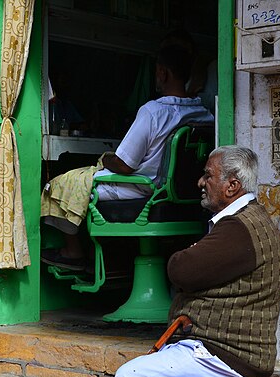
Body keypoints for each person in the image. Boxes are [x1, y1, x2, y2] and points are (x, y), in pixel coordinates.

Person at [110, 146, 280, 377]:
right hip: (230, 351)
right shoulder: (249, 219)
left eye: (208, 175)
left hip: (228, 355)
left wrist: (190, 253)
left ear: (232, 186)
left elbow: (180, 270)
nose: (200, 182)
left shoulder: (238, 228)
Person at [41, 44, 214, 268]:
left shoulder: (154, 112)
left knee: (59, 185)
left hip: (141, 189)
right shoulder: (205, 113)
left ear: (162, 73)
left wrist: (106, 159)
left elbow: (124, 165)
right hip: (183, 197)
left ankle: (73, 252)